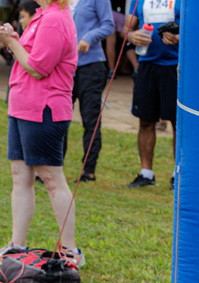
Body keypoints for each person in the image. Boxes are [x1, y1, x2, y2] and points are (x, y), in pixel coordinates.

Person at [0, 0, 84, 268]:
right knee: (20, 176)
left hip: (44, 109)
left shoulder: (55, 19)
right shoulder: (44, 15)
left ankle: (71, 251)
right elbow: (31, 54)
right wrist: (12, 39)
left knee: (51, 178)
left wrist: (10, 42)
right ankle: (17, 247)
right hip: (23, 107)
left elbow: (38, 68)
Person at [125, 0, 180, 189]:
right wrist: (132, 35)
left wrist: (179, 37)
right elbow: (126, 29)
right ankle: (146, 174)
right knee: (146, 120)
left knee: (177, 123)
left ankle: (177, 175)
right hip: (147, 64)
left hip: (175, 66)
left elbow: (196, 28)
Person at [67, 0, 113, 183]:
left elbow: (109, 25)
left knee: (90, 119)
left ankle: (89, 171)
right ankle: (53, 167)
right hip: (65, 67)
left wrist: (89, 37)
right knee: (58, 117)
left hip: (90, 66)